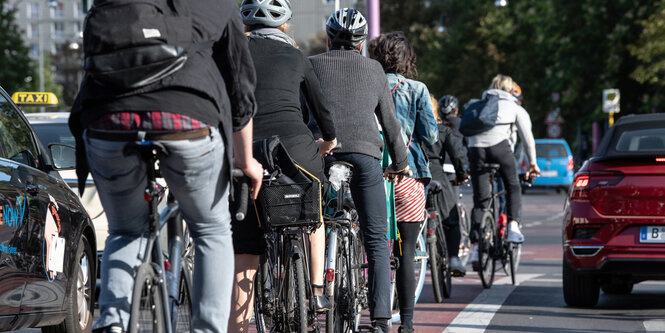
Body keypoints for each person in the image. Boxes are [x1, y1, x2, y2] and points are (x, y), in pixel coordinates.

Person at [69, 0, 263, 331]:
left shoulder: (110, 4)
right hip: (188, 121)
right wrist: (246, 160)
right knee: (210, 229)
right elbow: (239, 88)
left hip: (107, 124)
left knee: (126, 230)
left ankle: (113, 323)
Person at [228, 0, 338, 331]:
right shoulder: (296, 57)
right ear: (285, 25)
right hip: (296, 149)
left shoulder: (233, 54)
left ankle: (238, 327)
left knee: (245, 249)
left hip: (244, 149)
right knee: (312, 208)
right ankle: (316, 289)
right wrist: (328, 142)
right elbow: (322, 111)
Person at [309, 8, 409, 332]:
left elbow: (300, 115)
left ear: (328, 39)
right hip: (367, 156)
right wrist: (400, 164)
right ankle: (381, 321)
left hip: (322, 153)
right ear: (361, 42)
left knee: (313, 222)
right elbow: (391, 125)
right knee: (376, 239)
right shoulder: (375, 70)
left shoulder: (311, 64)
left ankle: (311, 293)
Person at [369, 31, 439, 333]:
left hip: (372, 175)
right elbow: (431, 136)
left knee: (373, 249)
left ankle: (377, 318)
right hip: (407, 178)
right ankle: (407, 323)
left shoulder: (367, 82)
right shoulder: (418, 89)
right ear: (407, 58)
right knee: (406, 252)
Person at [468, 74, 540, 271]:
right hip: (500, 148)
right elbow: (527, 139)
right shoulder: (514, 107)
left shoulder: (478, 103)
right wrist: (533, 164)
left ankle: (476, 248)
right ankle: (513, 227)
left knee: (480, 199)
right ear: (511, 90)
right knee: (513, 186)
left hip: (476, 151)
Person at [424, 94, 469, 276]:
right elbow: (457, 156)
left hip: (413, 176)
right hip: (437, 174)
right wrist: (462, 175)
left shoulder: (409, 129)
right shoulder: (442, 130)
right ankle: (453, 259)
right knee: (451, 218)